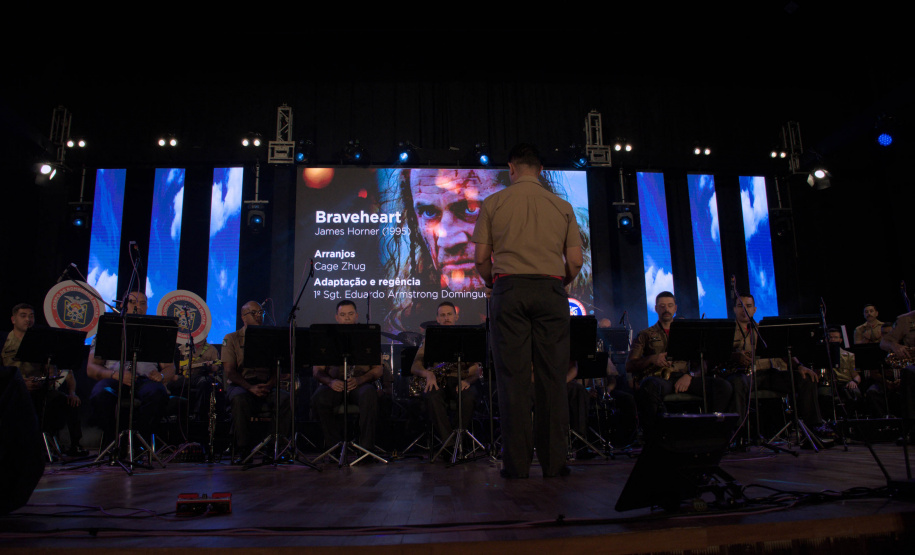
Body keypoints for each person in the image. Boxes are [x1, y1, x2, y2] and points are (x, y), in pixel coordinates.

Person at [472, 143, 582, 479]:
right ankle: (554, 462)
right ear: (541, 170)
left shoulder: (494, 203)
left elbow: (480, 258)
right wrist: (556, 282)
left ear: (512, 169)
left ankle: (516, 466)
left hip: (510, 289)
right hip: (550, 290)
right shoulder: (562, 206)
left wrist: (495, 283)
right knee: (552, 379)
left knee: (513, 380)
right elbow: (576, 260)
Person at [379, 168, 592, 333]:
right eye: (428, 212)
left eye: (471, 209)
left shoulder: (580, 293)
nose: (448, 239)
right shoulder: (407, 312)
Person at [627, 292, 732, 433]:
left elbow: (702, 362)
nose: (666, 309)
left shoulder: (690, 332)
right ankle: (656, 437)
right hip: (660, 379)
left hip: (686, 377)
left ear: (675, 308)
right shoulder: (645, 334)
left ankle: (710, 432)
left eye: (670, 306)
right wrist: (652, 359)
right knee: (649, 386)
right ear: (656, 308)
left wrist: (690, 375)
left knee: (723, 386)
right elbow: (630, 365)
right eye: (662, 306)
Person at [725, 294, 826, 435]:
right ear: (734, 309)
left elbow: (783, 351)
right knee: (738, 383)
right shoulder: (727, 331)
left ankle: (814, 427)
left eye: (748, 306)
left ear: (754, 309)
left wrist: (799, 366)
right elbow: (719, 355)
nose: (744, 310)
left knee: (806, 378)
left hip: (769, 373)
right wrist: (735, 356)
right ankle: (737, 432)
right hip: (744, 374)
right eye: (740, 306)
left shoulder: (763, 330)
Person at [86, 291, 172, 445]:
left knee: (157, 393)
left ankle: (140, 441)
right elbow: (91, 368)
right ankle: (113, 442)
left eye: (142, 303)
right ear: (123, 305)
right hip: (114, 378)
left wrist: (162, 376)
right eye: (133, 302)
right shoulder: (107, 330)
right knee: (99, 394)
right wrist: (113, 374)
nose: (138, 307)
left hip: (145, 380)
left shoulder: (158, 332)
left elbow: (170, 368)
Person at [2, 303, 86, 456]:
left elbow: (53, 370)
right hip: (12, 390)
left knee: (67, 401)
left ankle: (75, 445)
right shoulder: (3, 341)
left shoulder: (40, 341)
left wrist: (47, 377)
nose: (28, 319)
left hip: (37, 388)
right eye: (23, 316)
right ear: (13, 319)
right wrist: (20, 383)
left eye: (31, 316)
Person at [222, 300, 291, 462]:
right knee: (239, 400)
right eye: (254, 313)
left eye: (261, 313)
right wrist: (250, 387)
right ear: (243, 317)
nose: (258, 316)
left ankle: (275, 448)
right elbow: (230, 371)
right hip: (242, 384)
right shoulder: (231, 338)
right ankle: (244, 450)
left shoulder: (271, 338)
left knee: (285, 398)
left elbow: (277, 368)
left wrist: (269, 384)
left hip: (266, 384)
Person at [312, 300, 383, 453]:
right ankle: (333, 447)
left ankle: (366, 449)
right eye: (343, 315)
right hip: (335, 384)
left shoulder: (368, 336)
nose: (347, 318)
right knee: (319, 398)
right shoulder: (327, 338)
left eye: (350, 314)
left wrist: (360, 380)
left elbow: (378, 370)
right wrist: (330, 382)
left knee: (370, 394)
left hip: (360, 383)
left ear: (356, 316)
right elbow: (317, 371)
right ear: (337, 317)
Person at [410, 302, 481, 445]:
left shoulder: (467, 338)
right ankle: (450, 444)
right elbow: (415, 366)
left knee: (470, 396)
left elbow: (477, 369)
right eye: (442, 315)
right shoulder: (429, 339)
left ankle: (457, 441)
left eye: (449, 314)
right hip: (438, 380)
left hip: (461, 380)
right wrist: (427, 374)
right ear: (437, 319)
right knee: (431, 396)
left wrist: (468, 381)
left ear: (456, 317)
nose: (446, 318)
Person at [879, 310, 915, 424]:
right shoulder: (905, 319)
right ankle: (911, 426)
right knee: (909, 372)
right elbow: (884, 342)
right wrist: (894, 346)